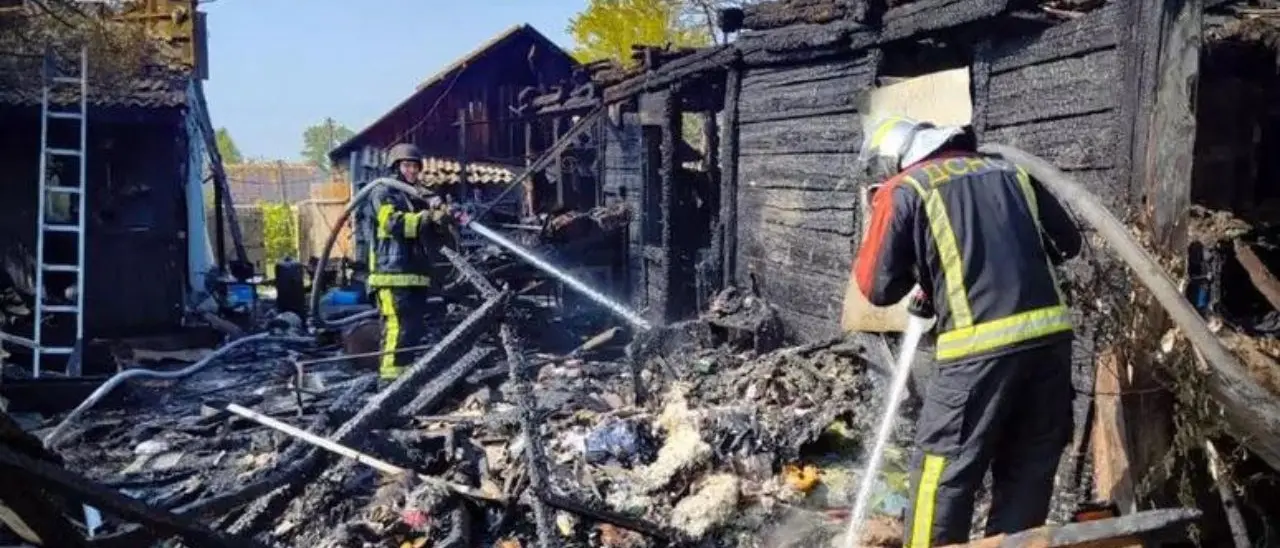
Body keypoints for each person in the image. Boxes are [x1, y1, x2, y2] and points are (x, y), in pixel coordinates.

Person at [853, 116, 1083, 547]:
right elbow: (1067, 244)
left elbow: (877, 287)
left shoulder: (907, 188)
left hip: (976, 351)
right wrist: (938, 280)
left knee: (940, 475)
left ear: (894, 158)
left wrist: (879, 212)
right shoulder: (1012, 173)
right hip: (1050, 345)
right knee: (1027, 469)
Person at [367, 143, 460, 380]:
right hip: (391, 274)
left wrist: (443, 219)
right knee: (397, 328)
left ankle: (405, 379)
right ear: (396, 167)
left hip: (415, 274)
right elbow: (393, 223)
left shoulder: (417, 196)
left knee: (412, 331)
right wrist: (428, 217)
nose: (411, 171)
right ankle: (389, 383)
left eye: (415, 167)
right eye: (407, 166)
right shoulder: (383, 192)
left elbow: (429, 230)